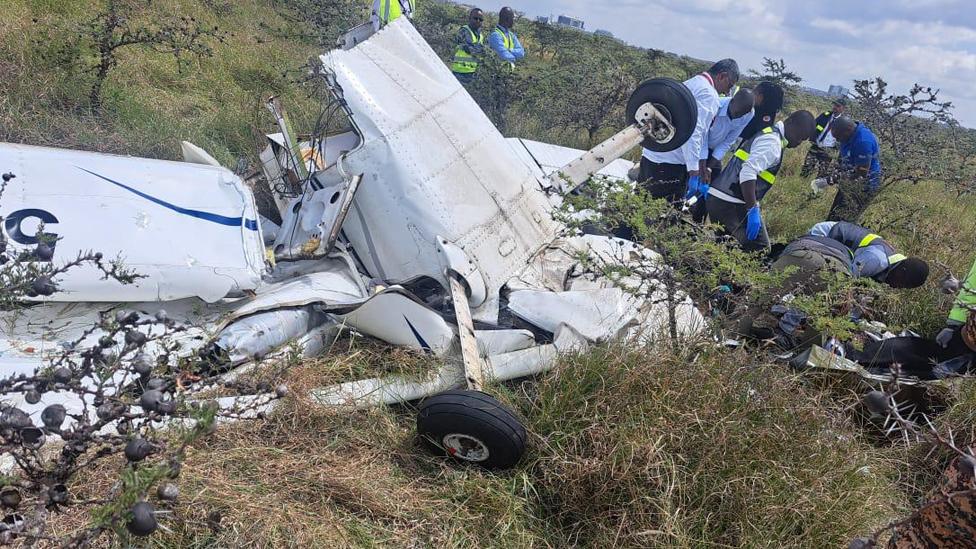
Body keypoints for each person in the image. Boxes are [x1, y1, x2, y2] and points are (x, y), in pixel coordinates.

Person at [701, 110, 816, 252]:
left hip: (720, 198)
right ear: (791, 122)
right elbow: (748, 172)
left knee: (725, 247)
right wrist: (752, 210)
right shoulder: (772, 143)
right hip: (731, 202)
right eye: (799, 137)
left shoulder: (770, 134)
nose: (799, 143)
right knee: (760, 250)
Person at [843, 257, 973, 379]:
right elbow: (973, 285)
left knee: (936, 370)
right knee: (925, 354)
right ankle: (859, 359)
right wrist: (954, 324)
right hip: (966, 335)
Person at [639, 59, 739, 203]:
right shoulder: (709, 95)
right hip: (671, 164)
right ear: (721, 76)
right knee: (663, 215)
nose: (726, 92)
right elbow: (695, 132)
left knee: (638, 207)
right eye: (729, 85)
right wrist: (694, 170)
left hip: (653, 154)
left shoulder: (693, 82)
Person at [774, 221, 930, 292]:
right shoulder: (877, 260)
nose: (896, 287)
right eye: (901, 284)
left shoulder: (891, 261)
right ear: (901, 271)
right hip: (824, 236)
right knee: (816, 279)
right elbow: (845, 278)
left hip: (834, 244)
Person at [824, 116, 881, 222]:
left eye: (838, 137)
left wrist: (837, 178)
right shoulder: (846, 135)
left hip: (863, 187)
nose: (837, 140)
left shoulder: (863, 141)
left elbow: (862, 172)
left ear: (848, 130)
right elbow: (842, 159)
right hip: (849, 181)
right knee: (834, 215)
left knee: (844, 220)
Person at [802, 97, 848, 181]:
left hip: (828, 150)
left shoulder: (844, 122)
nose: (835, 107)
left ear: (843, 108)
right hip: (816, 145)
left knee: (822, 173)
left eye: (838, 106)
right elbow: (813, 125)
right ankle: (800, 184)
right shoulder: (825, 115)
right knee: (806, 168)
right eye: (834, 105)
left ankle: (814, 191)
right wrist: (811, 137)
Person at [451, 9, 486, 84]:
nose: (478, 21)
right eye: (475, 18)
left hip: (472, 73)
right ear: (469, 18)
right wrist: (479, 48)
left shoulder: (481, 36)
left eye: (481, 19)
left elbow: (483, 52)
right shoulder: (464, 31)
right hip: (459, 72)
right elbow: (469, 49)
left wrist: (478, 49)